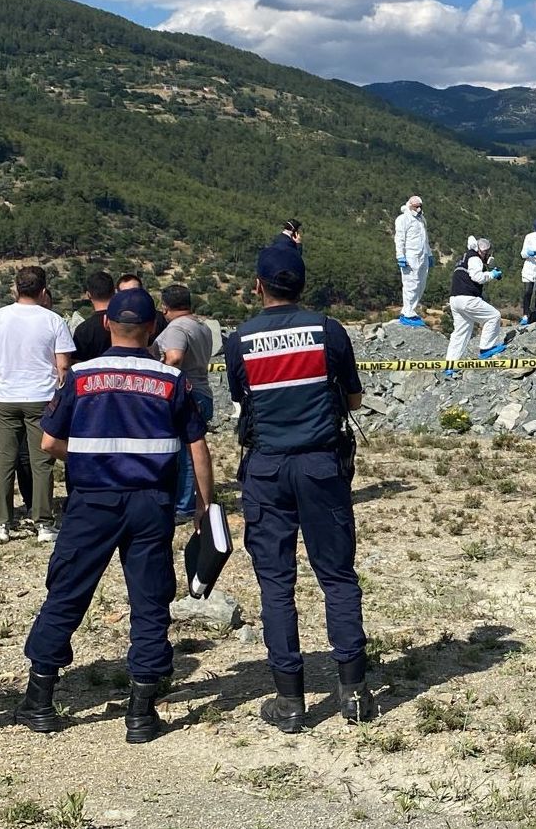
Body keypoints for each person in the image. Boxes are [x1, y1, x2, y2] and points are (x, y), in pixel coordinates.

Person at [15, 287, 213, 744]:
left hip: (92, 501)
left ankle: (40, 700)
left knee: (66, 592)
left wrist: (90, 456)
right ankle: (141, 713)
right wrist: (205, 504)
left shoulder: (81, 377)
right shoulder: (170, 381)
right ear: (152, 330)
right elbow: (196, 446)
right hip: (150, 503)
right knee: (149, 600)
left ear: (107, 325)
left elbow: (48, 443)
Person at [224, 246, 376, 733]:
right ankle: (353, 691)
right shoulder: (328, 330)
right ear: (303, 285)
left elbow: (240, 399)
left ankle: (290, 700)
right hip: (321, 466)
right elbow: (352, 396)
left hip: (266, 469)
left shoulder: (239, 340)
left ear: (258, 285)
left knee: (276, 583)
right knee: (337, 575)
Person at [0, 266, 75, 544]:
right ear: (43, 291)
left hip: (8, 397)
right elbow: (64, 366)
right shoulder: (54, 320)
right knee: (42, 461)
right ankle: (44, 522)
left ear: (15, 288)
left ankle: (1, 523)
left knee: (5, 461)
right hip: (42, 397)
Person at [154, 285, 214, 522]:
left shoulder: (177, 327)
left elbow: (175, 357)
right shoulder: (202, 326)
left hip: (187, 394)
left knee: (186, 454)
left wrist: (163, 371)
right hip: (203, 390)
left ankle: (184, 506)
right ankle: (189, 501)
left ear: (164, 307)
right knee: (192, 450)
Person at [445, 237, 505, 375]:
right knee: (493, 316)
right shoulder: (475, 259)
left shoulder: (464, 257)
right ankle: (486, 348)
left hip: (455, 299)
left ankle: (450, 365)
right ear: (480, 250)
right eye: (486, 252)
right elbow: (477, 277)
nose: (487, 255)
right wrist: (492, 274)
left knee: (461, 331)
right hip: (467, 298)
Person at [394, 194, 431, 327]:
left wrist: (429, 254)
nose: (419, 209)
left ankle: (412, 310)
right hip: (410, 257)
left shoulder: (421, 220)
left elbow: (425, 239)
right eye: (416, 207)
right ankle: (406, 312)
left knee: (420, 284)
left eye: (420, 206)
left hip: (422, 256)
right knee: (411, 284)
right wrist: (400, 256)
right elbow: (399, 239)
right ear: (410, 206)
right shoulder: (403, 219)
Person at [72, 270, 115, 363]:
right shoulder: (125, 323)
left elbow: (76, 362)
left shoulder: (83, 330)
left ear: (88, 295)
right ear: (114, 291)